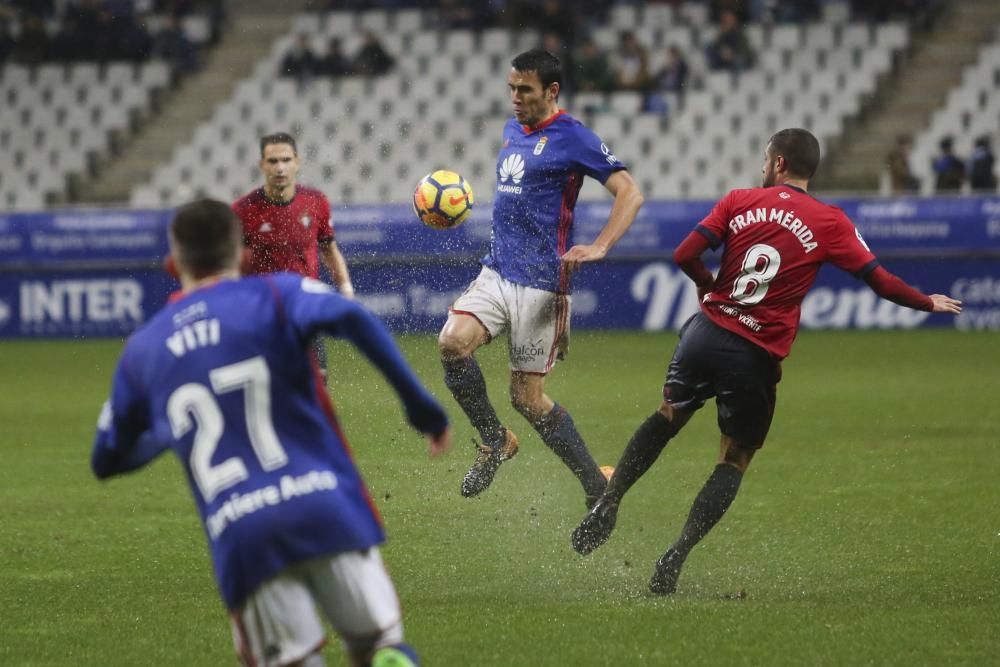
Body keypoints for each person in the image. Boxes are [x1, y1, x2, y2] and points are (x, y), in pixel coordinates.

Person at [571, 128, 962, 595]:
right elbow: (878, 280)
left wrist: (708, 284)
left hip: (706, 332)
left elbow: (684, 254)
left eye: (765, 159)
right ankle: (677, 553)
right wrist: (925, 302)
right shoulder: (829, 221)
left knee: (668, 415)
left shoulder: (739, 200)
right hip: (753, 354)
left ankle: (609, 501)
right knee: (734, 457)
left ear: (777, 163)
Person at [91, 198, 451, 667]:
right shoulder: (276, 294)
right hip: (324, 502)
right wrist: (422, 409)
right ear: (242, 257)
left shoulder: (144, 349)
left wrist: (167, 430)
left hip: (244, 535)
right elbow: (352, 316)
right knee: (379, 648)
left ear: (171, 263)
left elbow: (105, 459)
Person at [438, 49, 644, 508]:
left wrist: (601, 245)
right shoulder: (513, 128)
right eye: (511, 88)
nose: (514, 98)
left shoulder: (574, 137)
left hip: (541, 284)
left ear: (551, 91)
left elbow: (630, 192)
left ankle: (594, 484)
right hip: (498, 270)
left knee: (527, 400)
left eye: (524, 90)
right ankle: (494, 440)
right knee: (452, 343)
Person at [233, 132, 354, 373]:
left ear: (297, 162)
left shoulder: (315, 201)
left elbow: (329, 249)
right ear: (261, 164)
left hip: (304, 310)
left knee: (317, 387)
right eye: (273, 161)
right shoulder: (243, 210)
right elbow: (231, 263)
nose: (280, 168)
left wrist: (346, 289)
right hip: (262, 312)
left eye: (286, 160)